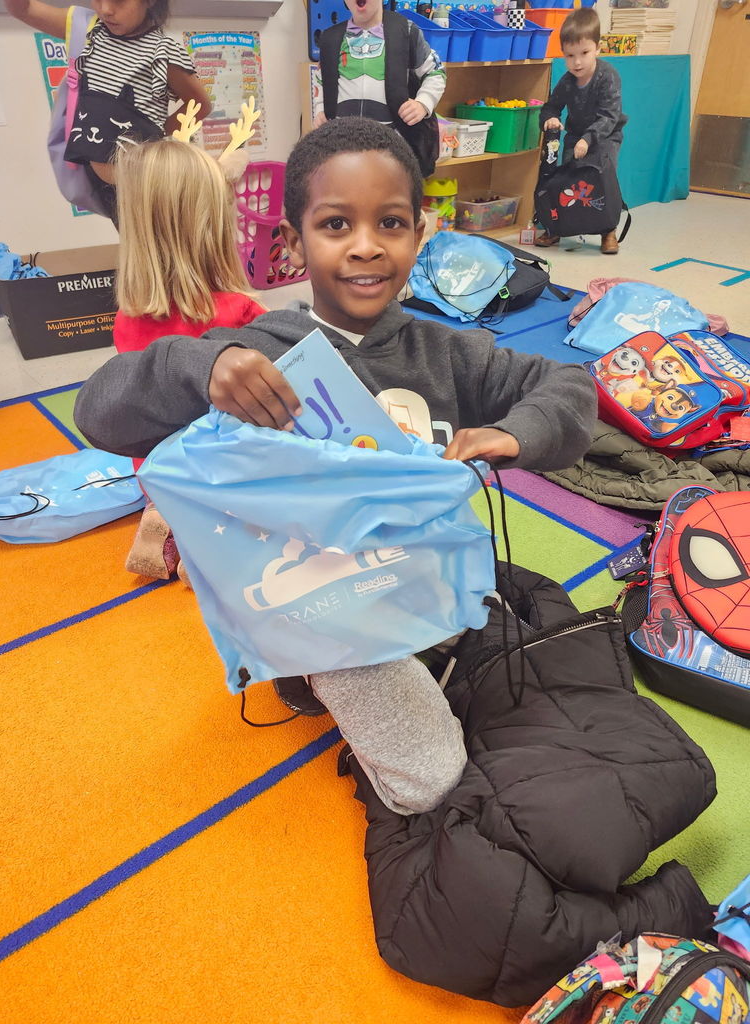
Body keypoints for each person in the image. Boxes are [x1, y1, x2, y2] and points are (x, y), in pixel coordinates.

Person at [74, 117, 597, 816]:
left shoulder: (448, 351)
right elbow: (99, 409)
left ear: (419, 233)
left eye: (389, 223)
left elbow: (568, 387)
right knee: (440, 789)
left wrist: (512, 434)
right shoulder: (262, 349)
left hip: (427, 588)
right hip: (332, 618)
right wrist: (205, 366)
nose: (365, 248)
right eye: (335, 225)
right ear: (293, 243)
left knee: (570, 709)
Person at [113, 136, 266, 581]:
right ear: (215, 227)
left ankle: (170, 521)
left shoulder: (128, 317)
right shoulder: (240, 310)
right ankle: (210, 544)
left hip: (158, 471)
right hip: (225, 471)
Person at [4, 0, 212, 222]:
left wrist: (157, 139)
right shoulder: (87, 30)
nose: (105, 9)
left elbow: (200, 104)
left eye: (118, 0)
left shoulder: (163, 53)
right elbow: (23, 9)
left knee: (158, 248)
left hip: (142, 187)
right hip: (99, 184)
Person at [311, 0, 446, 175]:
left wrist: (423, 103)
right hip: (343, 149)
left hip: (393, 149)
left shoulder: (406, 31)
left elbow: (435, 72)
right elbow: (320, 79)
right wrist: (320, 108)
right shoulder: (330, 39)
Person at [535, 7, 627, 255]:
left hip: (604, 137)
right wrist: (551, 119)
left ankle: (608, 231)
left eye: (584, 53)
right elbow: (550, 107)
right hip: (575, 136)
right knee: (566, 181)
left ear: (597, 47)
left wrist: (589, 139)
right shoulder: (567, 81)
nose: (577, 62)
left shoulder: (607, 76)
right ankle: (557, 228)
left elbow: (610, 115)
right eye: (569, 55)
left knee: (601, 182)